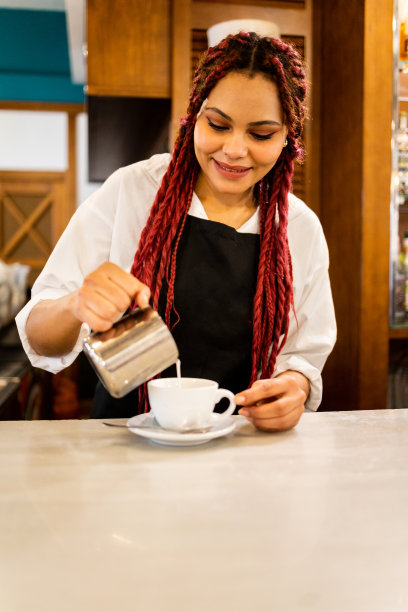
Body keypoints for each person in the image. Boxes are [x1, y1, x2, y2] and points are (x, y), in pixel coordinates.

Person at [16, 32, 336, 432]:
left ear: (288, 136)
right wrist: (74, 306)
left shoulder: (298, 228)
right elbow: (39, 336)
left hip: (243, 452)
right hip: (125, 448)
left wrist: (295, 386)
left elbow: (303, 359)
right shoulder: (132, 191)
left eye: (261, 134)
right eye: (218, 124)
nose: (235, 149)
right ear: (194, 116)